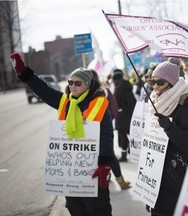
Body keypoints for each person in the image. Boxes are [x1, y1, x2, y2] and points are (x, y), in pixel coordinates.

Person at [10, 53, 114, 216]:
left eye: (77, 83)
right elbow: (44, 91)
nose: (73, 86)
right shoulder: (65, 102)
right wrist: (25, 74)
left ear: (87, 84)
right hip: (70, 172)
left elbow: (107, 135)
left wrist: (105, 164)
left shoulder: (99, 104)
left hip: (93, 170)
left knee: (98, 209)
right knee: (76, 209)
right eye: (70, 82)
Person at [147, 61, 188, 216]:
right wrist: (148, 193)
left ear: (172, 83)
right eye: (152, 81)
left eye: (160, 82)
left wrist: (170, 127)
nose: (155, 86)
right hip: (157, 176)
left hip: (176, 178)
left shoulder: (185, 108)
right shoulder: (155, 104)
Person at [91, 70, 131, 190]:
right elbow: (114, 107)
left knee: (100, 155)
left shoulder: (79, 93)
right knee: (109, 155)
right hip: (102, 129)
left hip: (91, 131)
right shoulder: (104, 90)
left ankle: (109, 179)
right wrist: (109, 120)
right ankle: (118, 180)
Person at [112, 69, 136, 162]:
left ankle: (124, 155)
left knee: (123, 136)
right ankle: (134, 151)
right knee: (131, 133)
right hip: (129, 113)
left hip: (121, 115)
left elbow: (116, 103)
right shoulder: (128, 86)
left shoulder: (118, 88)